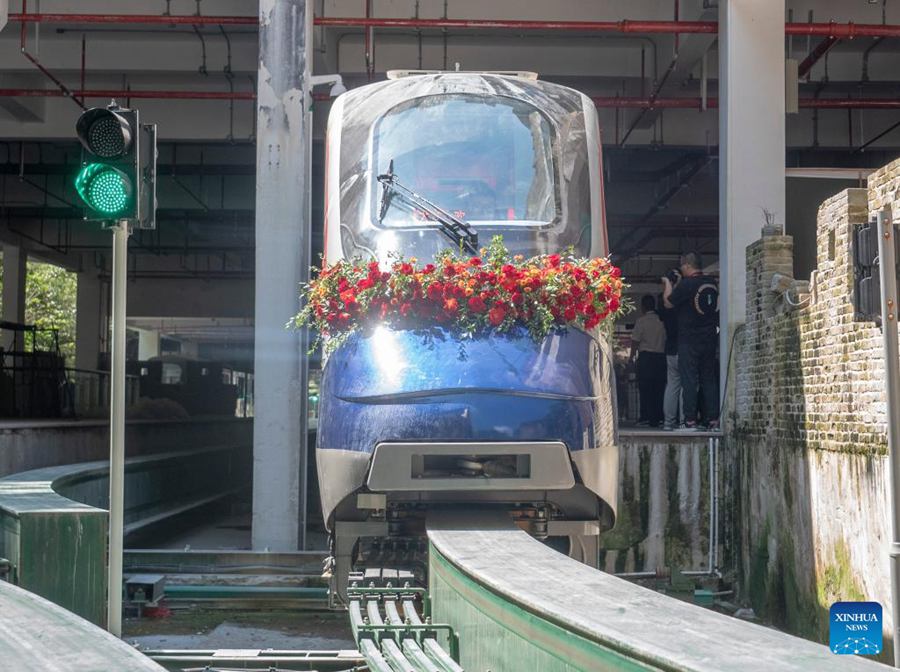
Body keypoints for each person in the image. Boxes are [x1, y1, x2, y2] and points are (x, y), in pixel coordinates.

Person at [662, 252, 719, 430]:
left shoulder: (687, 284)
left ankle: (690, 420)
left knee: (689, 380)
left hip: (689, 340)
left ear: (686, 266)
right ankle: (713, 420)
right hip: (709, 338)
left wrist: (667, 283)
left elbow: (669, 302)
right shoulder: (711, 283)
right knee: (708, 379)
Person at [630, 294, 667, 427]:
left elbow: (635, 341)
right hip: (661, 358)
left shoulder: (641, 321)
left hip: (646, 358)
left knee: (645, 389)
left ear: (643, 307)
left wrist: (631, 358)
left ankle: (646, 416)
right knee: (659, 388)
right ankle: (659, 417)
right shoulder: (661, 321)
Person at [659, 270, 682, 431]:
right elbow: (675, 299)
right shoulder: (677, 302)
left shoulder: (662, 304)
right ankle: (684, 421)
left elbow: (668, 300)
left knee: (672, 385)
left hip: (671, 349)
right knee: (687, 385)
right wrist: (677, 282)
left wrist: (667, 282)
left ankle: (668, 422)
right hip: (684, 347)